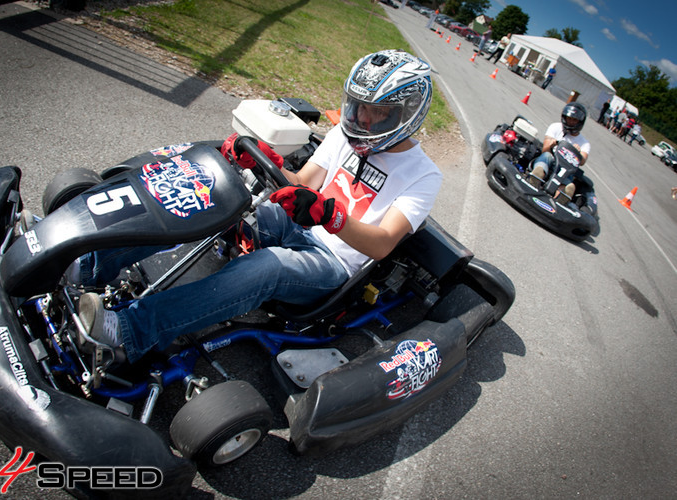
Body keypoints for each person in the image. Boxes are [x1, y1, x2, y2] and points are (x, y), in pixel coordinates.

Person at [76, 50, 443, 363]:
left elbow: (382, 243)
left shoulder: (424, 175)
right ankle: (89, 265)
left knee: (268, 267)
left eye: (377, 112)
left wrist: (330, 215)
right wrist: (263, 160)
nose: (363, 119)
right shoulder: (343, 135)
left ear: (406, 113)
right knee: (220, 201)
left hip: (334, 263)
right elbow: (303, 184)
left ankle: (128, 332)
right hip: (301, 225)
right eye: (359, 107)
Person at [529, 102, 591, 200]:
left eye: (574, 120)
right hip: (551, 160)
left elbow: (582, 161)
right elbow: (545, 149)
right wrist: (551, 144)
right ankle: (537, 176)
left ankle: (561, 196)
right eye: (569, 118)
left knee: (569, 173)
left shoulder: (584, 143)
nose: (570, 122)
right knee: (547, 156)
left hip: (565, 169)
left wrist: (578, 153)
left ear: (579, 122)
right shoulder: (555, 127)